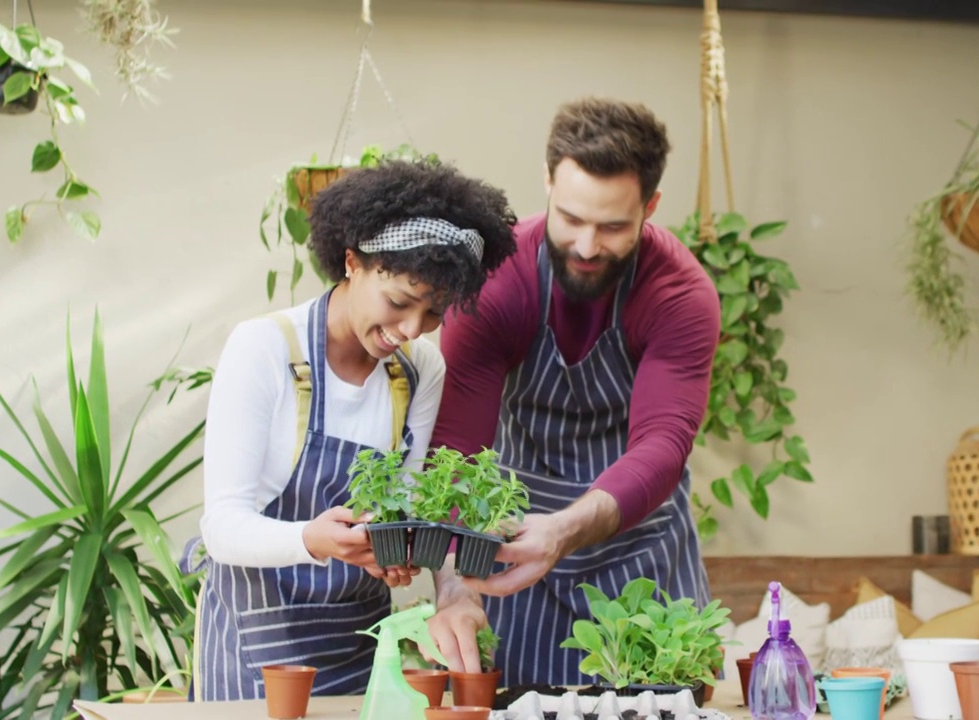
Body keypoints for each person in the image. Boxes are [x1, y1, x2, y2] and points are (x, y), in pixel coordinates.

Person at [186, 158, 516, 700]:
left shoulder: (419, 369)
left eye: (433, 313)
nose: (410, 330)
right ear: (351, 262)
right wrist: (312, 540)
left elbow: (402, 504)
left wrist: (397, 554)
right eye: (399, 302)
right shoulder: (263, 349)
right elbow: (221, 528)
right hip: (255, 649)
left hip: (357, 642)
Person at [426, 97, 722, 687]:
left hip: (643, 556)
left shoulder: (679, 294)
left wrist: (562, 529)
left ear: (651, 207)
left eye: (612, 226)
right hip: (517, 555)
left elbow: (664, 444)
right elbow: (456, 448)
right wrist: (455, 584)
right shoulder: (496, 282)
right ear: (547, 182)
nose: (587, 247)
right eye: (570, 218)